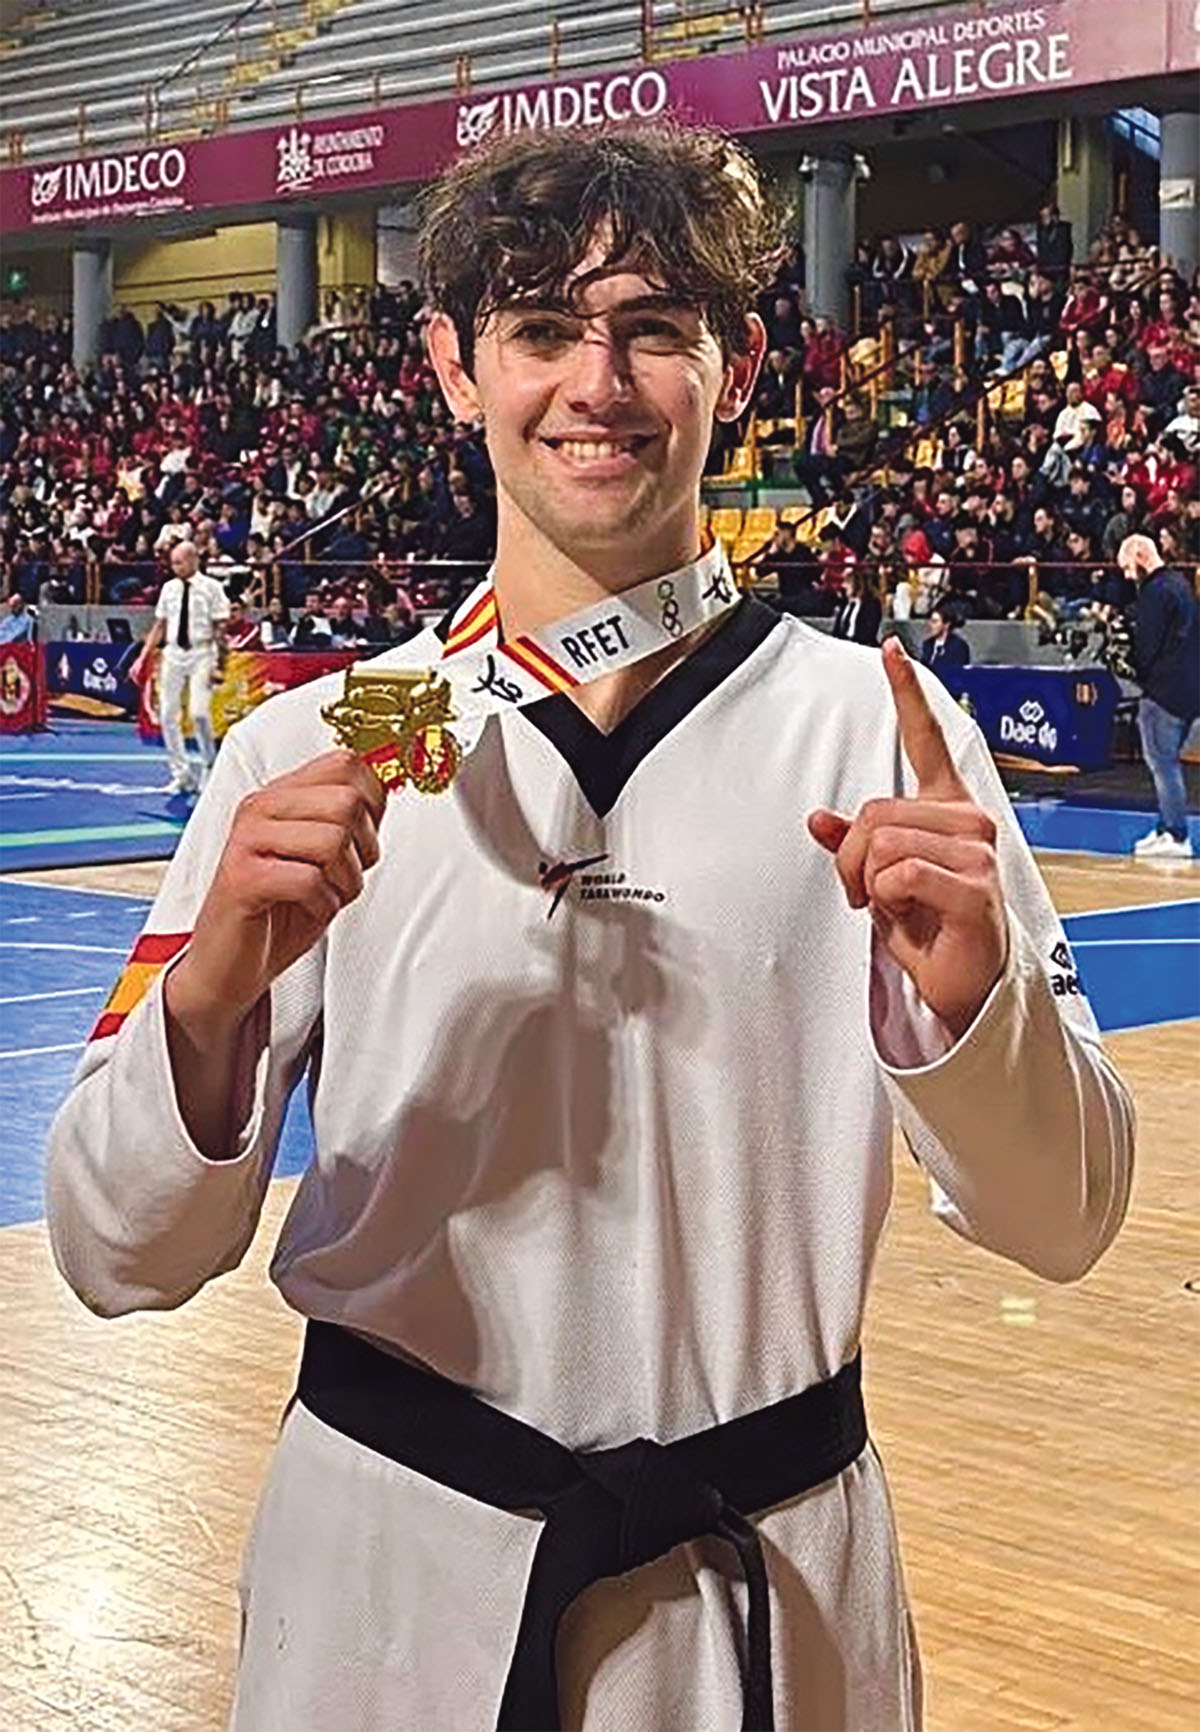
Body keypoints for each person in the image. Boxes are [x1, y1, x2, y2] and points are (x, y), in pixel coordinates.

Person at [46, 125, 1134, 1732]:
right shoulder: (320, 749)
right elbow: (110, 1250)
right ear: (453, 367)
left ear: (735, 363)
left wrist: (976, 1022)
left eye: (654, 329)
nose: (598, 385)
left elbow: (1065, 1222)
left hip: (767, 1590)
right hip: (391, 1585)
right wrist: (208, 1000)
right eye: (544, 330)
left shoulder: (882, 737)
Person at [1117, 533, 1198, 859]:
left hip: (1163, 693)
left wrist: (1129, 663)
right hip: (1188, 690)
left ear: (1140, 554)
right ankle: (1167, 827)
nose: (1127, 575)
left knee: (1163, 765)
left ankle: (1176, 835)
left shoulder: (1154, 591)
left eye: (1127, 566)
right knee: (1167, 763)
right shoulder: (1181, 585)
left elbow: (1147, 648)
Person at [129, 540, 229, 795]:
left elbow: (220, 629)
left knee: (199, 713)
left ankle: (210, 765)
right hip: (173, 653)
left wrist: (220, 664)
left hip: (202, 652)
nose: (175, 567)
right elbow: (159, 625)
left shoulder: (212, 588)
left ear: (194, 560)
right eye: (173, 563)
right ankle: (181, 774)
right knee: (167, 715)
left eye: (179, 562)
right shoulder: (169, 589)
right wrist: (142, 657)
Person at [920, 602, 971, 678]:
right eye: (930, 621)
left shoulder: (958, 646)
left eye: (935, 622)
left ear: (946, 624)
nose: (931, 625)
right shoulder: (927, 645)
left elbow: (957, 673)